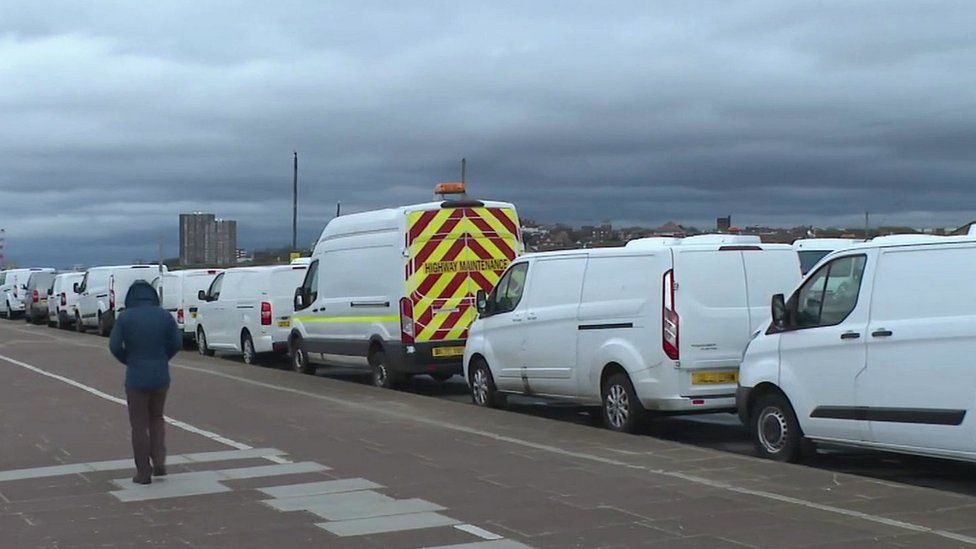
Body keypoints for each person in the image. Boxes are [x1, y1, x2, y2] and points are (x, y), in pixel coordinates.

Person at [109, 280, 181, 485]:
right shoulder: (165, 316)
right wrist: (162, 358)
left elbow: (114, 346)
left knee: (139, 425)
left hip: (136, 377)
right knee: (157, 418)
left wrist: (129, 359)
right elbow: (177, 343)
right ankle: (159, 462)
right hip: (160, 376)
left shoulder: (125, 317)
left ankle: (143, 472)